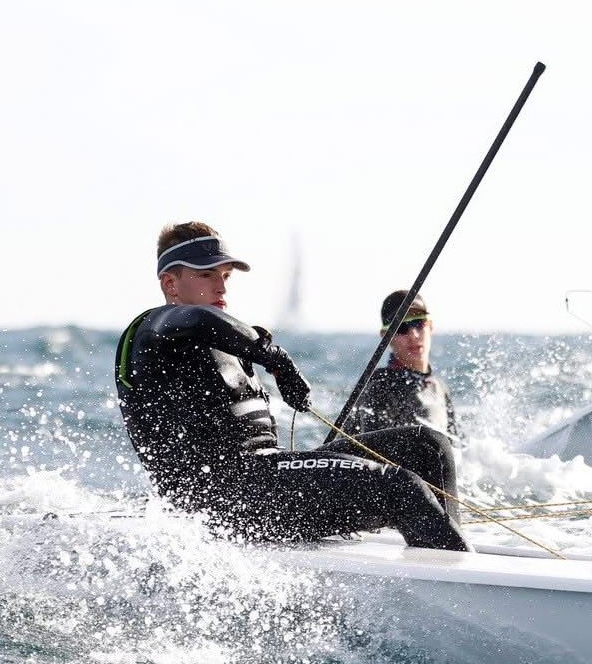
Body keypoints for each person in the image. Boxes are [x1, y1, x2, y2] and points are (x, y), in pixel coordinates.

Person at [113, 221, 467, 551]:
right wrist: (276, 359)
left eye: (224, 276)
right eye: (206, 275)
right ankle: (464, 594)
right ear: (170, 284)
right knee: (400, 486)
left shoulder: (213, 338)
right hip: (221, 500)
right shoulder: (154, 328)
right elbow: (199, 319)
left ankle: (454, 557)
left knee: (428, 446)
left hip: (264, 479)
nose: (221, 286)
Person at [324, 291, 462, 519]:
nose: (414, 335)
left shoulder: (440, 388)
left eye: (419, 323)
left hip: (434, 499)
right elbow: (370, 461)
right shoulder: (380, 385)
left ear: (431, 326)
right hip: (394, 505)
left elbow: (458, 450)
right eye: (402, 329)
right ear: (386, 337)